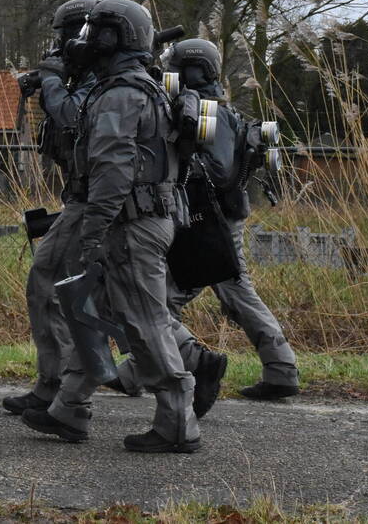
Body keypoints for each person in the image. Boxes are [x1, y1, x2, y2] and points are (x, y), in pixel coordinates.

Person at [20, 0, 200, 453]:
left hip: (129, 225)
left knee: (143, 322)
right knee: (89, 314)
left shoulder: (121, 94)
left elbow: (113, 171)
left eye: (95, 32)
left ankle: (178, 420)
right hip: (133, 220)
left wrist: (93, 230)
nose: (84, 42)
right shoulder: (139, 87)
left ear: (112, 37)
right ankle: (68, 407)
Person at [116, 39, 299, 403]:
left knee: (165, 295)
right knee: (234, 288)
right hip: (222, 215)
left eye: (176, 66)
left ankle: (140, 372)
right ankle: (281, 366)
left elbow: (201, 171)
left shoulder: (198, 111)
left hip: (202, 219)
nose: (168, 73)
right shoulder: (223, 111)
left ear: (193, 70)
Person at [2, 0, 99, 415]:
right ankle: (57, 387)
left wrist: (54, 81)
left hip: (94, 202)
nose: (59, 46)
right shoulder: (90, 77)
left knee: (49, 283)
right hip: (87, 199)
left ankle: (57, 387)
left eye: (63, 36)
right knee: (127, 301)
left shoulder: (100, 81)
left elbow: (74, 118)